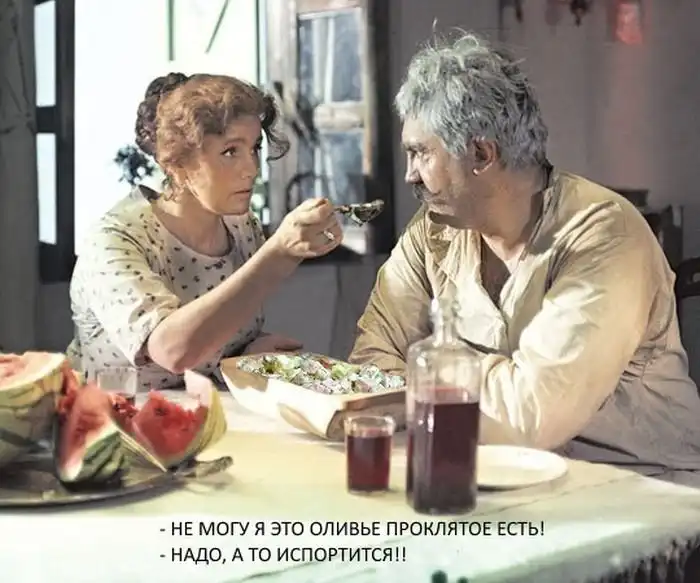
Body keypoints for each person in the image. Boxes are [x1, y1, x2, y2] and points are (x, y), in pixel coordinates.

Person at [349, 32, 700, 485]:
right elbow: (368, 365)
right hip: (494, 478)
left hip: (639, 489)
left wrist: (426, 369)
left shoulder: (603, 234)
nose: (409, 175)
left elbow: (528, 416)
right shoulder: (434, 231)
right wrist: (456, 383)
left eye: (420, 153)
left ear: (481, 154)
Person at [68, 72, 342, 391]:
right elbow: (172, 351)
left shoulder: (241, 228)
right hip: (116, 416)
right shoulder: (113, 241)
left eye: (254, 148)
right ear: (177, 164)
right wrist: (278, 254)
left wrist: (243, 355)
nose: (252, 169)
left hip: (213, 414)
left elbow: (213, 339)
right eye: (230, 151)